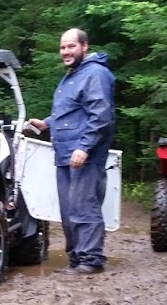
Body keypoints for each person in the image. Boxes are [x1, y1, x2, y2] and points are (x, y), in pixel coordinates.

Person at [27, 28, 115, 275]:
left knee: (84, 207)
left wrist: (85, 147)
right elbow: (70, 112)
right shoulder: (73, 75)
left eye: (71, 47)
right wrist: (46, 124)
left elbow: (101, 115)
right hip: (65, 152)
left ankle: (91, 260)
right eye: (62, 47)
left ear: (84, 47)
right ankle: (77, 258)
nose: (65, 52)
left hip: (83, 154)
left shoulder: (95, 74)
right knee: (69, 209)